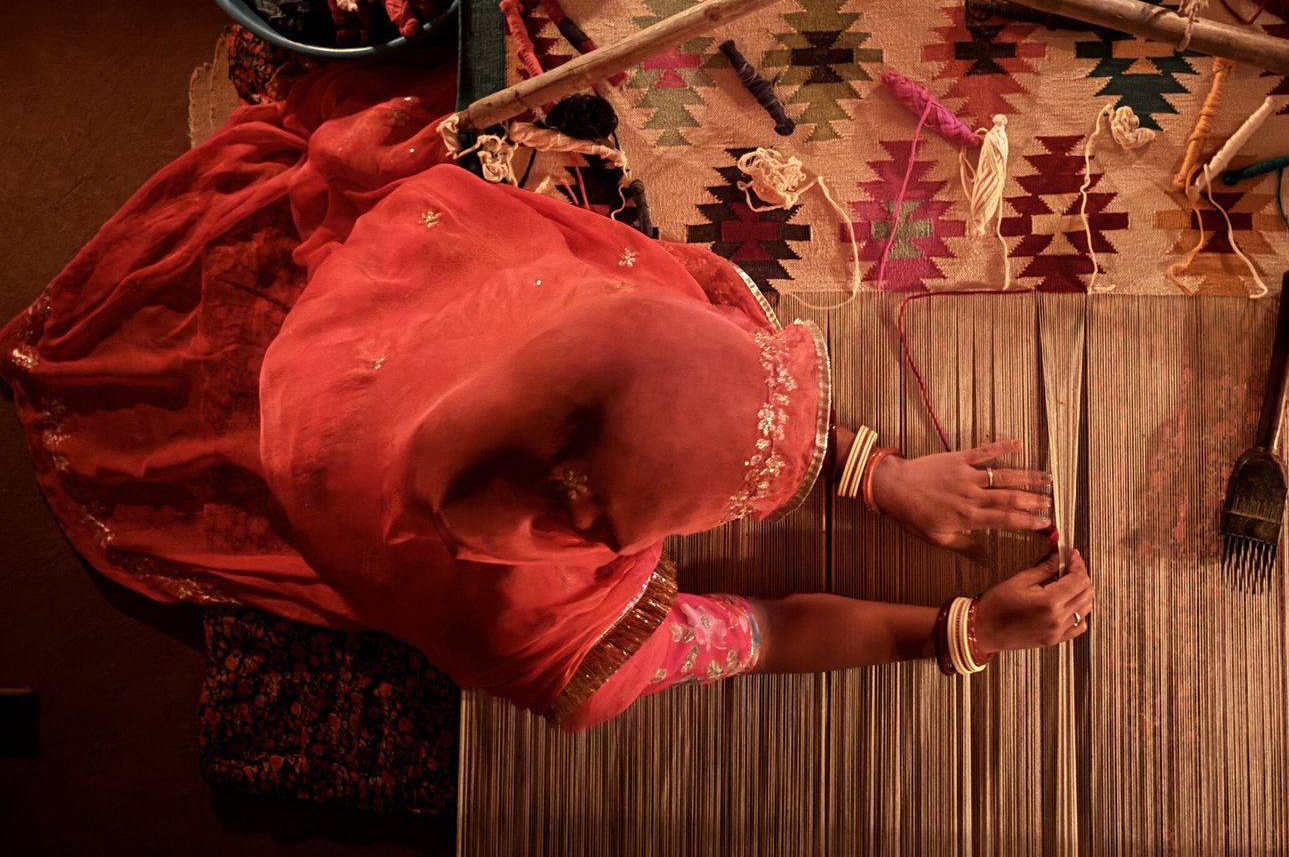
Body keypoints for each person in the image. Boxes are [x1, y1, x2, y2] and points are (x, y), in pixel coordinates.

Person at [0, 59, 1094, 731]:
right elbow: (753, 631)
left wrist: (877, 473)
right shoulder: (530, 621)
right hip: (322, 457)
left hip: (346, 368)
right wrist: (965, 632)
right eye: (724, 504)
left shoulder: (496, 271)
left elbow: (668, 379)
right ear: (583, 516)